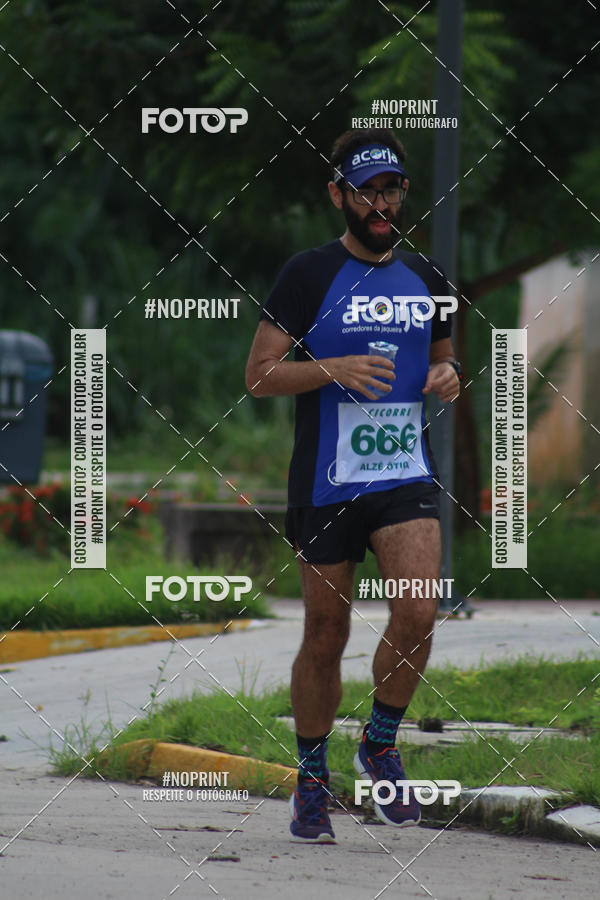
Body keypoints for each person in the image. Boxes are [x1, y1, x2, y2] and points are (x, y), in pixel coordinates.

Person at [245, 128, 462, 843]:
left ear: (403, 194)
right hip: (326, 479)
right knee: (326, 631)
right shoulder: (306, 275)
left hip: (403, 473)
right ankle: (312, 779)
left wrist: (446, 378)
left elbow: (443, 365)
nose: (381, 202)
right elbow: (260, 376)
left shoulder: (430, 279)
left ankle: (379, 740)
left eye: (391, 188)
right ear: (338, 194)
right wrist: (332, 368)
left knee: (418, 612)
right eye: (367, 190)